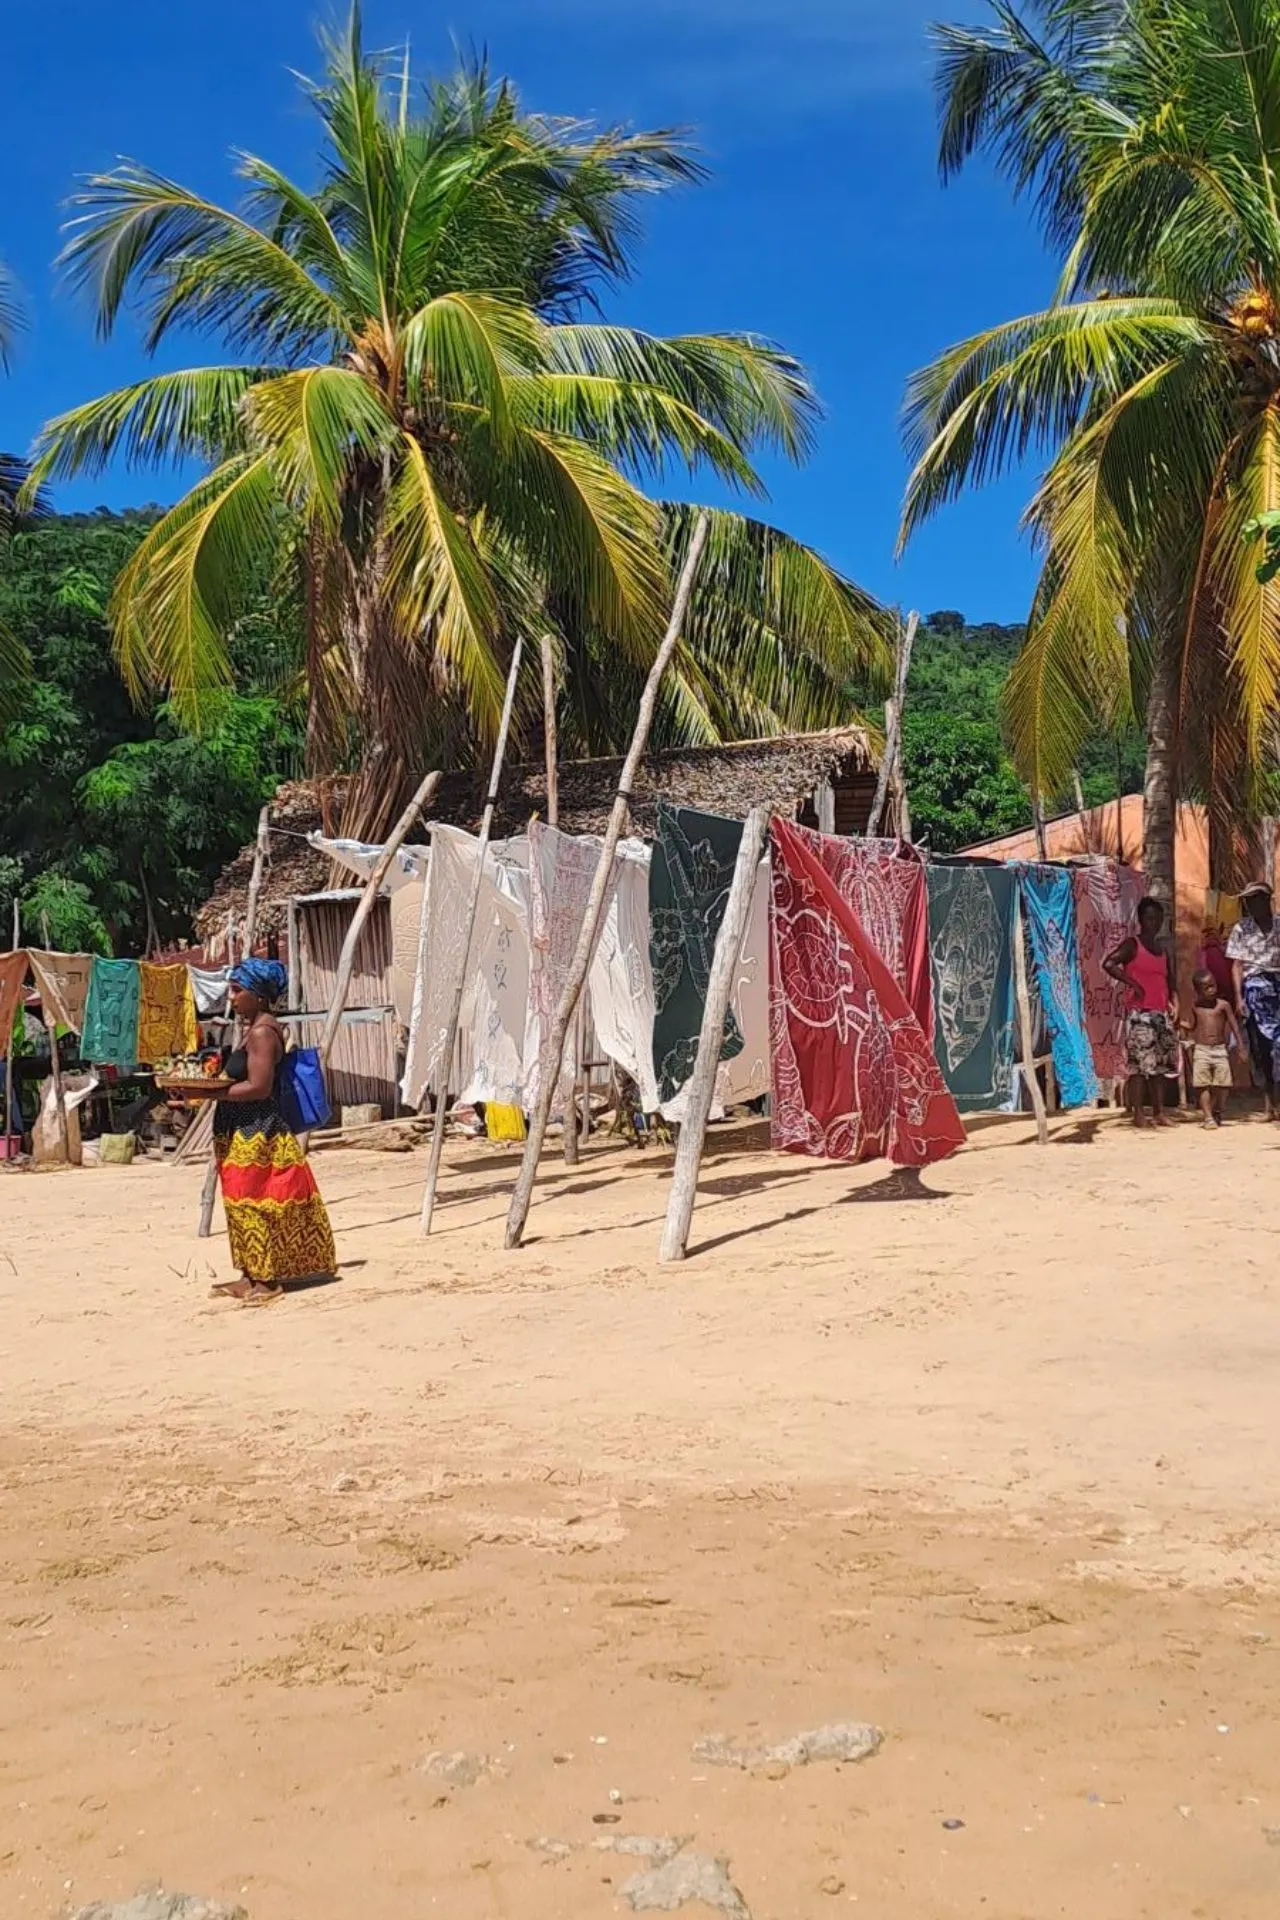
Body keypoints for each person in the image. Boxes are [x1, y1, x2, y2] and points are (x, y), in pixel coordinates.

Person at [210, 958, 336, 1305]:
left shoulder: (264, 1033)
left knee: (254, 1202)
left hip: (256, 1130)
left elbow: (259, 1087)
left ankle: (267, 1281)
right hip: (239, 1127)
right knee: (238, 1202)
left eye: (238, 990)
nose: (231, 997)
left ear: (260, 996)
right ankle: (249, 1274)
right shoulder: (254, 1029)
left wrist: (210, 1093)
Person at [1104, 895, 1180, 1127]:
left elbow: (1171, 982)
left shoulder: (1163, 950)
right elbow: (1109, 963)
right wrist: (1133, 984)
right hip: (1139, 1014)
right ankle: (1138, 1113)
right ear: (1141, 920)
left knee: (1160, 1067)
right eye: (1149, 918)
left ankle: (1158, 1112)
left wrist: (1175, 1004)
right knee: (1138, 1067)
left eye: (1157, 918)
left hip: (1160, 1014)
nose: (1153, 923)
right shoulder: (1132, 945)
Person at [1226, 881, 1280, 1119]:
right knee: (1261, 1049)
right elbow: (1237, 965)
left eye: (1255, 899)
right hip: (1255, 989)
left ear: (1266, 900)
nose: (1251, 904)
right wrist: (1239, 997)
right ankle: (1270, 1103)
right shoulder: (1241, 928)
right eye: (1248, 901)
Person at [1179, 968, 1243, 1128]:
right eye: (1206, 988)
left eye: (1213, 985)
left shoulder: (1223, 1005)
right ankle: (1208, 1117)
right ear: (1198, 991)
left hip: (1220, 1049)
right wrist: (1180, 1024)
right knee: (1202, 1084)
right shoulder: (1196, 1008)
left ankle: (1218, 1110)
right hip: (1201, 1049)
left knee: (1223, 1084)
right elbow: (1192, 1026)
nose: (1211, 990)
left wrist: (1241, 1046)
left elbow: (1234, 1026)